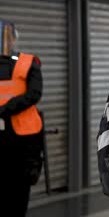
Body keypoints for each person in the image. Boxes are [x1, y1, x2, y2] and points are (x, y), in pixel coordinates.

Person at [0, 21, 43, 217]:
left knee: (19, 190)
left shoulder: (28, 62)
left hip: (23, 140)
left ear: (15, 38)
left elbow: (34, 94)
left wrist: (4, 109)